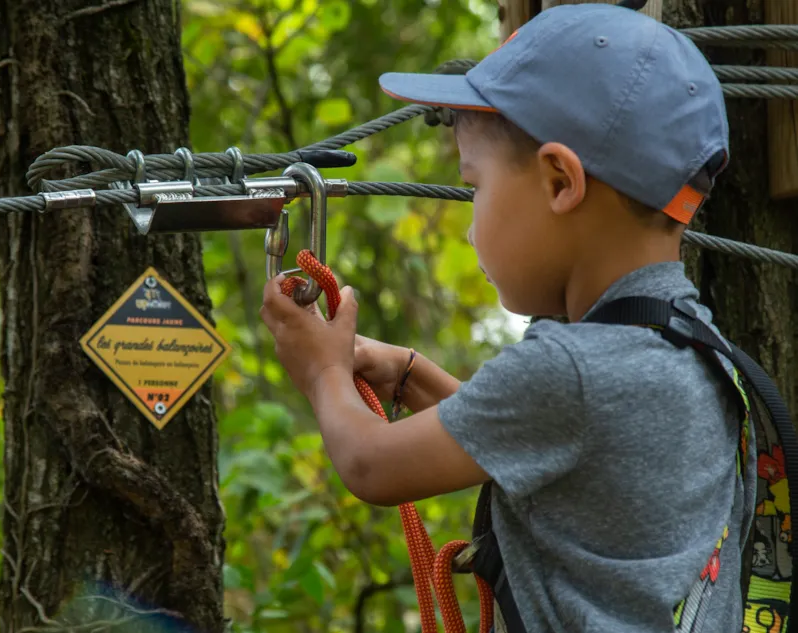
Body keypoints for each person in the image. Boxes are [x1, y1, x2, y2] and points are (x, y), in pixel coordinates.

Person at [259, 3, 750, 632]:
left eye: (476, 187)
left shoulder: (570, 369)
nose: (470, 225)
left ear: (558, 182)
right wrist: (413, 375)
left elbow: (371, 465)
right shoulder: (688, 344)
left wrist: (321, 369)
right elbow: (547, 442)